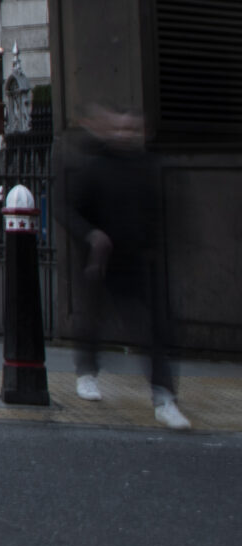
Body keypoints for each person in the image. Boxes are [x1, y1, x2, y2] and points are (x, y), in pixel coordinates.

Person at [60, 106, 187, 429]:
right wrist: (90, 236)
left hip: (138, 260)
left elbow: (161, 212)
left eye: (132, 130)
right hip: (100, 260)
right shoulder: (94, 167)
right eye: (120, 129)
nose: (125, 135)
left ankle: (163, 397)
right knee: (92, 319)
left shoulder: (149, 166)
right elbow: (68, 209)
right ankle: (87, 371)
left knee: (154, 330)